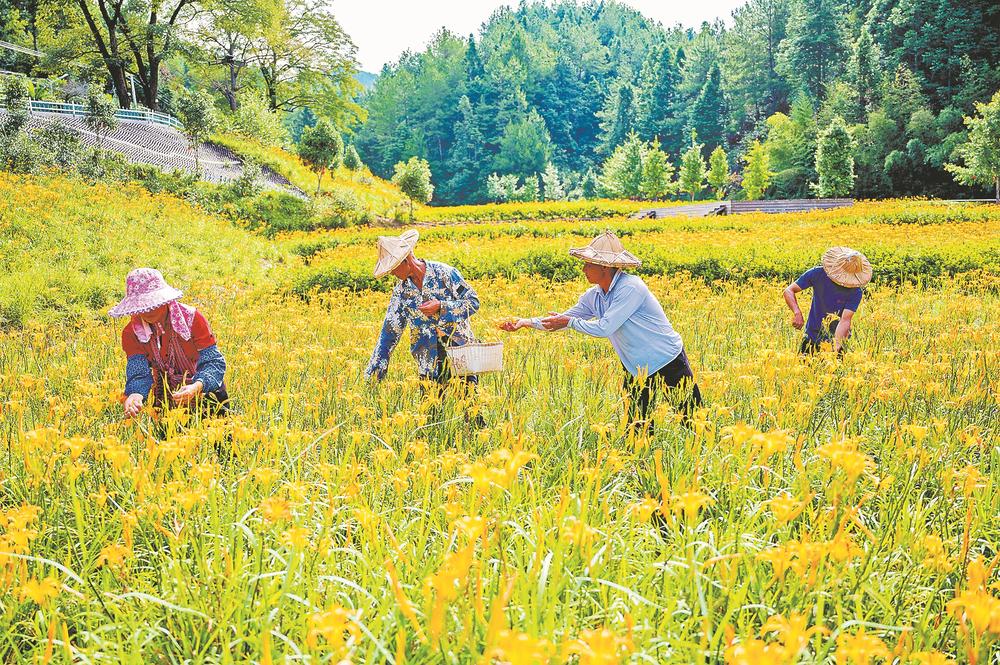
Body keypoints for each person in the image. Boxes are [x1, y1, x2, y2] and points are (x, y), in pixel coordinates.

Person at [501, 231, 701, 430]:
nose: (583, 269)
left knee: (693, 419)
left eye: (588, 264)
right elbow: (560, 320)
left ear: (605, 266)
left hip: (667, 359)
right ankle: (641, 462)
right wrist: (525, 322)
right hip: (635, 366)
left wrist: (569, 322)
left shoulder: (631, 287)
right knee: (637, 427)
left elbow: (604, 328)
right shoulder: (594, 295)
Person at [108, 268, 228, 419]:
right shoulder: (132, 333)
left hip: (207, 395)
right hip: (166, 399)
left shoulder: (192, 319)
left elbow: (213, 362)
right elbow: (139, 372)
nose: (147, 311)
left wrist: (198, 386)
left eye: (153, 303)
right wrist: (135, 394)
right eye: (141, 307)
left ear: (165, 300)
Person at [365, 230, 481, 385]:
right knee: (431, 407)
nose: (391, 272)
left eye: (393, 267)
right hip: (428, 364)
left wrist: (441, 306)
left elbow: (472, 302)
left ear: (405, 261)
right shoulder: (401, 292)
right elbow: (389, 332)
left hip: (460, 355)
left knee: (469, 406)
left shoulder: (444, 273)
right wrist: (374, 373)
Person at [783, 247, 871, 355]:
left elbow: (845, 320)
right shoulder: (817, 273)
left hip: (836, 339)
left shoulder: (855, 291)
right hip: (811, 336)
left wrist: (836, 346)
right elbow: (789, 290)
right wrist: (797, 312)